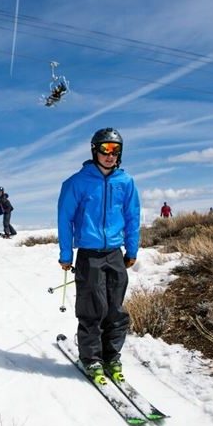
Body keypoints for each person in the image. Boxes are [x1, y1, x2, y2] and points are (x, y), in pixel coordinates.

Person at [57, 128, 140, 385]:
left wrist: (132, 249)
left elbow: (132, 216)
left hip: (115, 253)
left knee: (115, 309)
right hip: (89, 255)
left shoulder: (125, 182)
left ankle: (111, 356)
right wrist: (65, 253)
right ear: (95, 150)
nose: (109, 154)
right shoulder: (76, 182)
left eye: (115, 150)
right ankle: (91, 358)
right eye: (105, 149)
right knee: (92, 308)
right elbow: (65, 219)